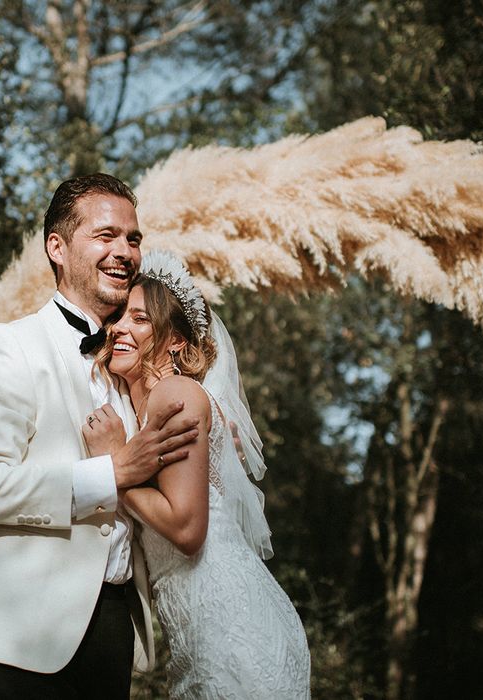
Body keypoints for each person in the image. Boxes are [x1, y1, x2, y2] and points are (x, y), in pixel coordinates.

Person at [0, 174, 200, 700]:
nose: (124, 251)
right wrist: (114, 472)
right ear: (57, 247)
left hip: (113, 629)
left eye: (133, 238)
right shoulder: (6, 347)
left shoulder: (135, 369)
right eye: (105, 236)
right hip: (18, 633)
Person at [84, 250, 311, 699]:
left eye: (141, 320)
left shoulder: (175, 393)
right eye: (118, 317)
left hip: (231, 628)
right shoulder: (146, 406)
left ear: (173, 341)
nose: (119, 330)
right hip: (203, 630)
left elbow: (187, 529)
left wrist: (112, 468)